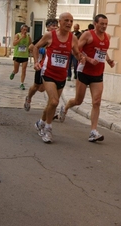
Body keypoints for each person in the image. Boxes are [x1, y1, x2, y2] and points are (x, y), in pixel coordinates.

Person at [59, 14, 114, 142]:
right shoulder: (87, 35)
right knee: (78, 100)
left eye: (106, 24)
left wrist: (109, 60)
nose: (104, 26)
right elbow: (75, 49)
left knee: (97, 102)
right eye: (102, 24)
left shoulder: (107, 37)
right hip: (84, 72)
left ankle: (93, 131)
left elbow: (103, 51)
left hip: (98, 73)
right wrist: (88, 59)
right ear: (95, 24)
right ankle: (65, 107)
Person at [32, 13, 84, 143]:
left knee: (51, 104)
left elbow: (76, 53)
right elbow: (36, 47)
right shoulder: (50, 35)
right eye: (66, 20)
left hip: (61, 75)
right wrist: (36, 62)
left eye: (71, 21)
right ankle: (48, 129)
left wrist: (81, 58)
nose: (69, 23)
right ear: (60, 22)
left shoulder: (73, 38)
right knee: (54, 101)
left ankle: (41, 122)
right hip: (48, 72)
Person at [23, 18, 58, 111]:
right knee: (37, 87)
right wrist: (41, 51)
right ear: (47, 27)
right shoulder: (44, 37)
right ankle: (29, 98)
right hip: (42, 65)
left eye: (55, 25)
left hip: (53, 67)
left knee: (46, 88)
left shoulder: (59, 38)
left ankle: (50, 108)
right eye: (52, 26)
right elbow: (31, 47)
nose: (54, 27)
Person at [9, 24, 32, 90]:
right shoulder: (17, 35)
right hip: (17, 55)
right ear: (21, 30)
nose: (25, 31)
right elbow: (14, 43)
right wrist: (21, 38)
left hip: (25, 56)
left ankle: (22, 83)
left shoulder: (28, 36)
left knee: (24, 70)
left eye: (26, 30)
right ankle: (14, 72)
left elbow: (30, 44)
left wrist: (31, 49)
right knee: (17, 70)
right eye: (24, 30)